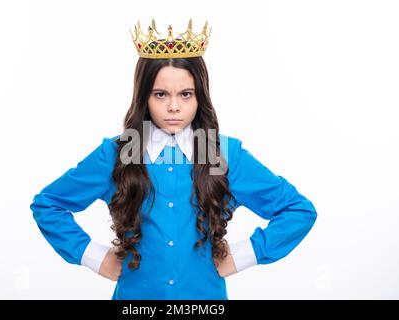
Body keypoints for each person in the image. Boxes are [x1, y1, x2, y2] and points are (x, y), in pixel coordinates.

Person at [30, 19, 317, 300]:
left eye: (186, 94)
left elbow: (297, 210)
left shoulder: (220, 154)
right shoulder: (121, 153)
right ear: (144, 96)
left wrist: (244, 255)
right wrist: (94, 257)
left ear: (199, 96)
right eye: (160, 94)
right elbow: (49, 204)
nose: (174, 106)